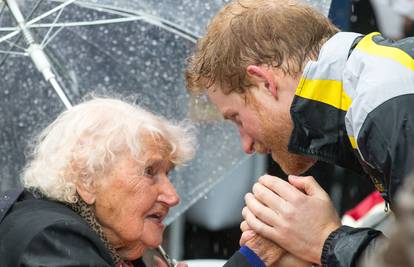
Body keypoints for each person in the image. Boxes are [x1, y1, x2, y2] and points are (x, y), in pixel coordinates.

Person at [185, 0, 414, 266]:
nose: (246, 145)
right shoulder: (374, 83)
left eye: (236, 119)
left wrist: (326, 240)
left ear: (265, 83)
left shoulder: (380, 104)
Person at [0, 97, 195, 267]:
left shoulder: (115, 242)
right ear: (88, 179)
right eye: (149, 172)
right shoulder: (55, 237)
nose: (172, 196)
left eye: (167, 174)